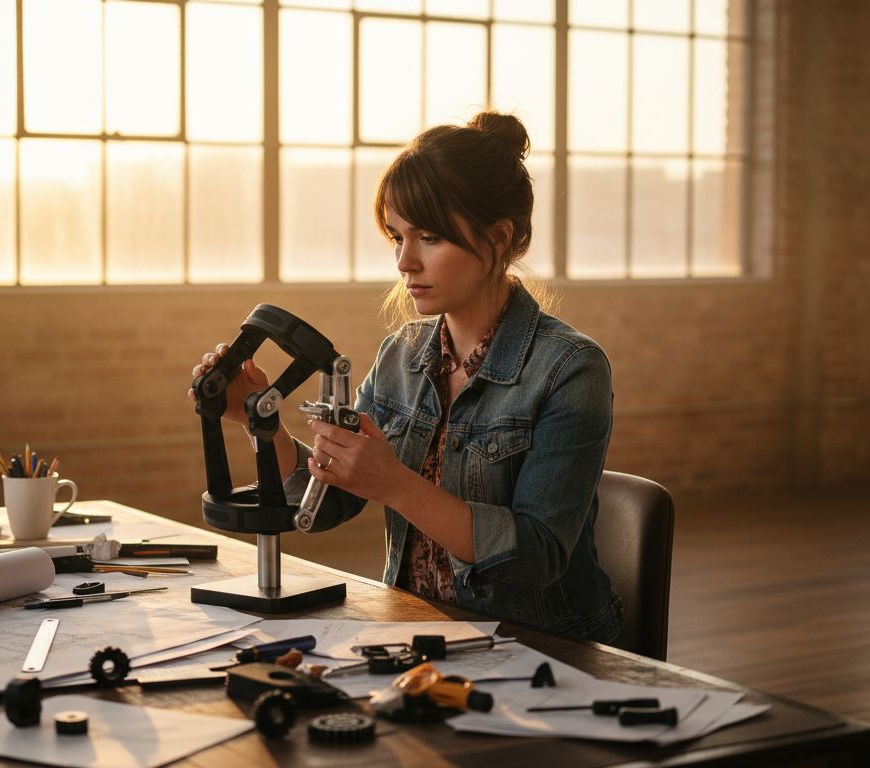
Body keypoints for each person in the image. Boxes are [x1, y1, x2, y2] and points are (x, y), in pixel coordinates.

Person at [189, 111, 621, 642]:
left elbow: (536, 557)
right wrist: (263, 422)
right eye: (396, 236)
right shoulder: (402, 355)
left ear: (500, 238)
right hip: (420, 636)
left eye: (429, 238)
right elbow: (327, 503)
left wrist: (397, 485)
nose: (404, 261)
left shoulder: (570, 369)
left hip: (542, 651)